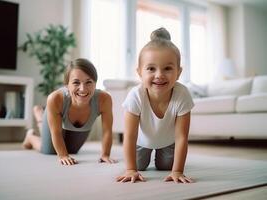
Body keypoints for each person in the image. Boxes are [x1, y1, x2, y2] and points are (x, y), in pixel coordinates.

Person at [116, 28, 194, 183]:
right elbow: (130, 136)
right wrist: (131, 170)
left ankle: (163, 155)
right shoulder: (136, 95)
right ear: (139, 72)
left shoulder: (182, 95)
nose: (159, 75)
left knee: (165, 166)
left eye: (167, 68)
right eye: (151, 68)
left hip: (168, 142)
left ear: (178, 72)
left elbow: (181, 137)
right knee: (139, 166)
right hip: (141, 142)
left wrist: (177, 171)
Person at [22, 58, 116, 165]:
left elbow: (107, 131)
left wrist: (105, 154)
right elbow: (56, 132)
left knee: (72, 151)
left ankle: (40, 117)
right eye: (76, 82)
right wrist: (63, 155)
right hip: (59, 114)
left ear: (95, 83)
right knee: (49, 150)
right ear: (67, 85)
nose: (82, 89)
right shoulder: (55, 99)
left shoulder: (104, 99)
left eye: (88, 82)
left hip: (79, 126)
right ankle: (32, 133)